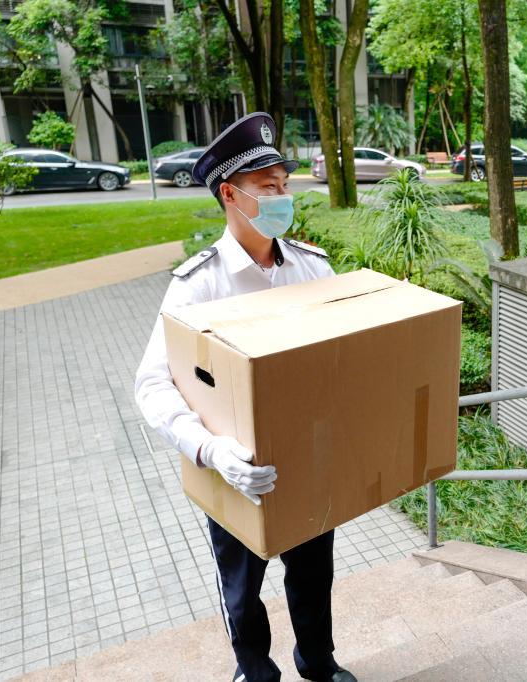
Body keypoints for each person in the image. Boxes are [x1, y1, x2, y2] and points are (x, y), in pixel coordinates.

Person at [134, 112, 356, 682]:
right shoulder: (199, 285)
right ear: (230, 195)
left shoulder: (311, 268)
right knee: (241, 585)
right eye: (267, 187)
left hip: (306, 459)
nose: (282, 198)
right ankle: (253, 672)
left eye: (284, 185)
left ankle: (318, 663)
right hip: (232, 469)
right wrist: (211, 451)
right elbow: (153, 384)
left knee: (314, 572)